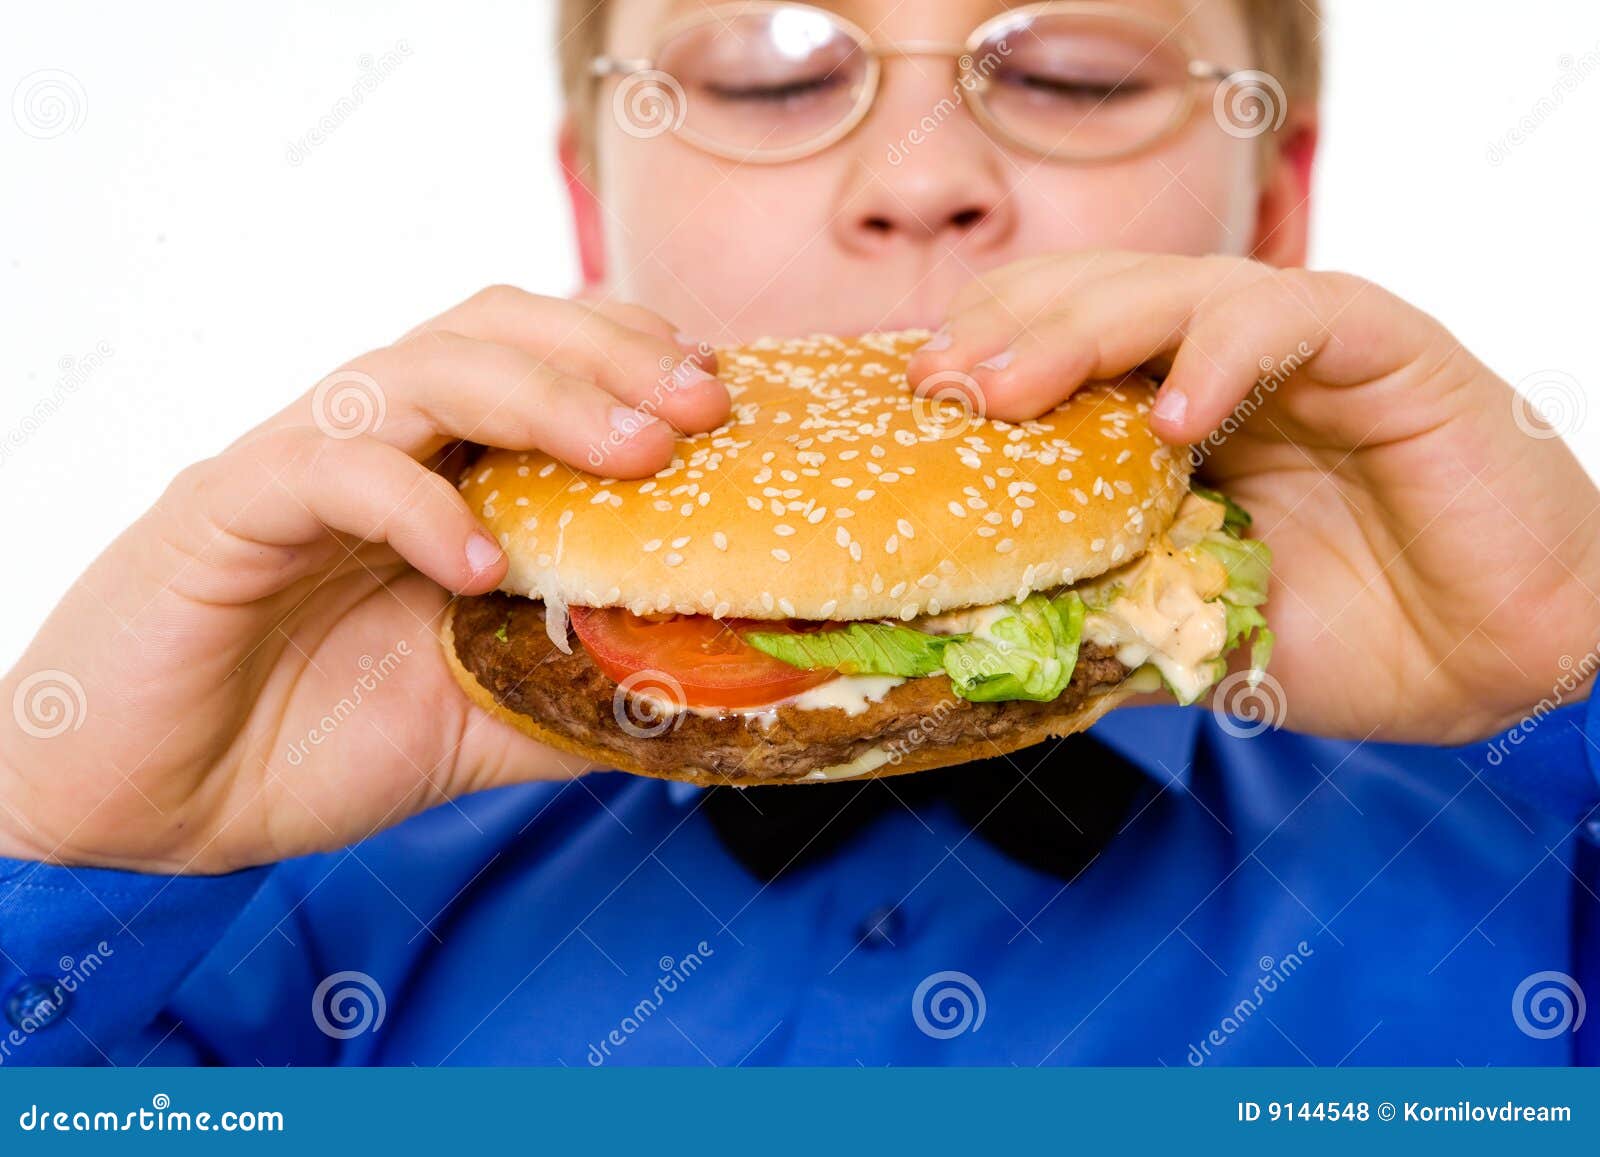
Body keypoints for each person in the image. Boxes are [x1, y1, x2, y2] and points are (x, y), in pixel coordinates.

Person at [2, 0, 1597, 1066]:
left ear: (1272, 204)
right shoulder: (270, 890)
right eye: (772, 70)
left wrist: (1572, 670)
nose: (921, 182)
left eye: (1069, 73)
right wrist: (65, 838)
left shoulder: (1535, 868)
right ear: (587, 211)